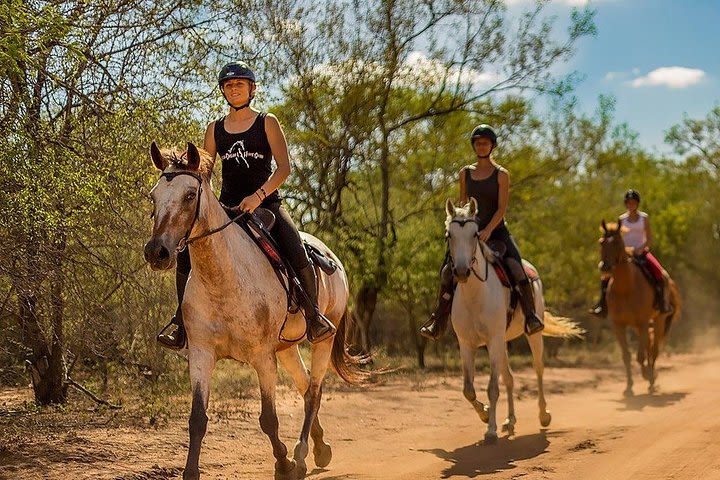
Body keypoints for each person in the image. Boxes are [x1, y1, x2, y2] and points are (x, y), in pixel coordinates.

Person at [156, 62, 336, 349]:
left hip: (267, 205)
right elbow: (203, 173)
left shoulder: (267, 122)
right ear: (223, 92)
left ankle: (314, 316)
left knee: (295, 248)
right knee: (188, 254)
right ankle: (180, 323)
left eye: (239, 84)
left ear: (252, 89)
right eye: (228, 85)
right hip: (227, 210)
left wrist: (258, 196)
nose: (234, 88)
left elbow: (284, 168)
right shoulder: (214, 129)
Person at [420, 124, 544, 339]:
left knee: (516, 267)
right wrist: (466, 229)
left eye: (485, 143)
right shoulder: (465, 173)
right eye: (478, 142)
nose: (481, 146)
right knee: (447, 271)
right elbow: (463, 204)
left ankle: (531, 316)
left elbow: (502, 208)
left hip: (496, 232)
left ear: (492, 146)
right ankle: (438, 320)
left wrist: (487, 229)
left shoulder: (501, 174)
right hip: (469, 234)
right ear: (474, 146)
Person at [590, 189, 671, 316]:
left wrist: (640, 249)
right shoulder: (622, 219)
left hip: (641, 252)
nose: (631, 205)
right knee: (606, 276)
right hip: (625, 254)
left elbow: (649, 238)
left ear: (637, 203)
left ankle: (661, 303)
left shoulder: (644, 218)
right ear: (626, 204)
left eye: (633, 202)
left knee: (660, 273)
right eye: (628, 202)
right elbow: (618, 240)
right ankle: (602, 305)